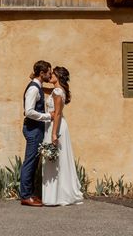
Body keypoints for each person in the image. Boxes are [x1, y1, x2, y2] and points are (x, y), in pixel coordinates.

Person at [42, 66, 84, 206]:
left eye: (52, 74)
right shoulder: (57, 90)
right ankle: (55, 195)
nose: (50, 76)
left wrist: (54, 134)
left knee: (55, 159)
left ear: (58, 76)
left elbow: (58, 114)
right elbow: (41, 87)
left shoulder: (58, 92)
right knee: (55, 160)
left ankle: (58, 196)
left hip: (57, 126)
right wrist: (37, 78)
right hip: (54, 125)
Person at [19, 60, 54, 207]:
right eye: (49, 72)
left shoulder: (37, 86)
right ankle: (26, 196)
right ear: (42, 73)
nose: (50, 74)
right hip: (33, 129)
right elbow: (29, 112)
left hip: (36, 129)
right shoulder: (34, 89)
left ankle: (30, 193)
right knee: (30, 162)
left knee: (33, 162)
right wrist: (48, 116)